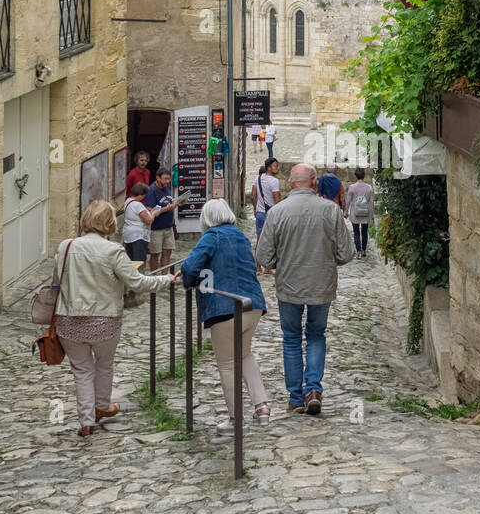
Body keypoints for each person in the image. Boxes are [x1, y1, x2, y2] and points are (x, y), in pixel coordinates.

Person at [55, 200, 176, 436]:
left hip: (69, 319)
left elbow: (56, 281)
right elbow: (138, 282)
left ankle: (86, 421)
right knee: (103, 364)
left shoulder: (66, 247)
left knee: (81, 370)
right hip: (104, 320)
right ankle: (102, 406)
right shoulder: (113, 251)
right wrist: (167, 279)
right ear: (110, 223)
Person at [255, 162, 354, 416]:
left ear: (290, 183)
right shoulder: (330, 211)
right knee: (316, 335)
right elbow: (346, 253)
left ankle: (296, 397)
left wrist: (282, 263)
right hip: (321, 284)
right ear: (314, 182)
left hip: (289, 285)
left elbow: (264, 256)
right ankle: (313, 389)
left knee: (290, 338)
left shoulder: (277, 212)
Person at [181, 199, 271, 433]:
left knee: (228, 364)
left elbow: (190, 266)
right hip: (253, 304)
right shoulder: (240, 235)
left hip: (225, 307)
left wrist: (189, 281)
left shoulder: (212, 236)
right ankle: (261, 406)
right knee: (245, 355)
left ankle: (236, 418)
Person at [144, 168, 179, 271]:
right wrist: (168, 208)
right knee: (155, 254)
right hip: (156, 228)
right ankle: (154, 276)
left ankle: (165, 278)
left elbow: (168, 202)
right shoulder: (151, 191)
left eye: (169, 179)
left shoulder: (166, 188)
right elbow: (150, 209)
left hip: (169, 227)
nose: (167, 181)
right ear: (158, 178)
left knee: (167, 253)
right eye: (165, 179)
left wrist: (177, 203)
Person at [120, 181, 153, 264]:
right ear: (141, 195)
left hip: (129, 235)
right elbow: (148, 221)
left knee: (132, 260)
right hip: (138, 236)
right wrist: (154, 214)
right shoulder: (138, 205)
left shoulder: (128, 201)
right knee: (139, 261)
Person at [346, 167, 375, 257]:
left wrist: (346, 211)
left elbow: (348, 201)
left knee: (356, 232)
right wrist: (372, 214)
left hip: (355, 213)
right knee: (364, 232)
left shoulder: (352, 187)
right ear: (364, 175)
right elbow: (371, 202)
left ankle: (358, 251)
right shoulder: (369, 188)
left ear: (356, 176)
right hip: (365, 213)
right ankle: (364, 250)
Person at [250, 158, 282, 239]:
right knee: (271, 239)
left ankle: (257, 252)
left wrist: (255, 209)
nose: (277, 168)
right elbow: (277, 199)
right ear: (269, 168)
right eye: (275, 166)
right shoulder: (274, 181)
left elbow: (253, 196)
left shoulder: (258, 178)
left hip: (259, 213)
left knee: (259, 238)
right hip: (271, 214)